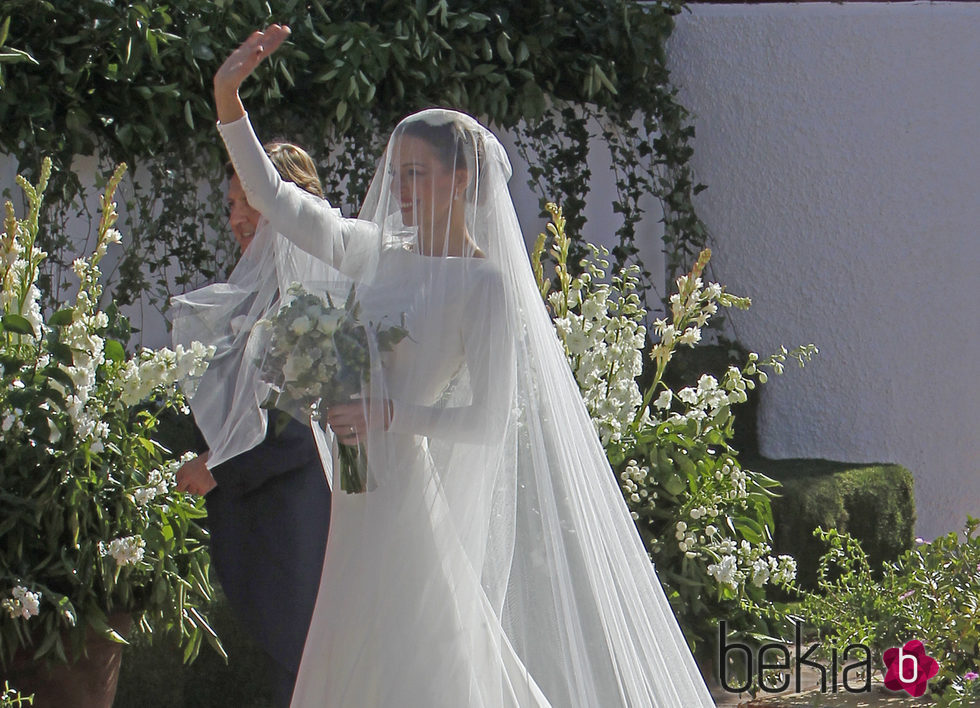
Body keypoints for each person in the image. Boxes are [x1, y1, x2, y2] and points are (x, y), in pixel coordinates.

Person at [212, 24, 715, 707]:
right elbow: (276, 199)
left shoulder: (484, 286)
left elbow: (484, 422)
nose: (404, 189)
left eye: (418, 175)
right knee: (361, 649)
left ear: (461, 179)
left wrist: (389, 412)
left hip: (400, 490)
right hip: (356, 495)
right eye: (399, 175)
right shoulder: (375, 252)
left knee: (421, 650)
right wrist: (226, 98)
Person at [171, 140, 333, 707]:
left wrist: (217, 469)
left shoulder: (316, 297)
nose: (235, 217)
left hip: (301, 520)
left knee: (305, 672)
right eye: (231, 204)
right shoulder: (256, 293)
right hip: (263, 520)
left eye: (249, 203)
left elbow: (304, 427)